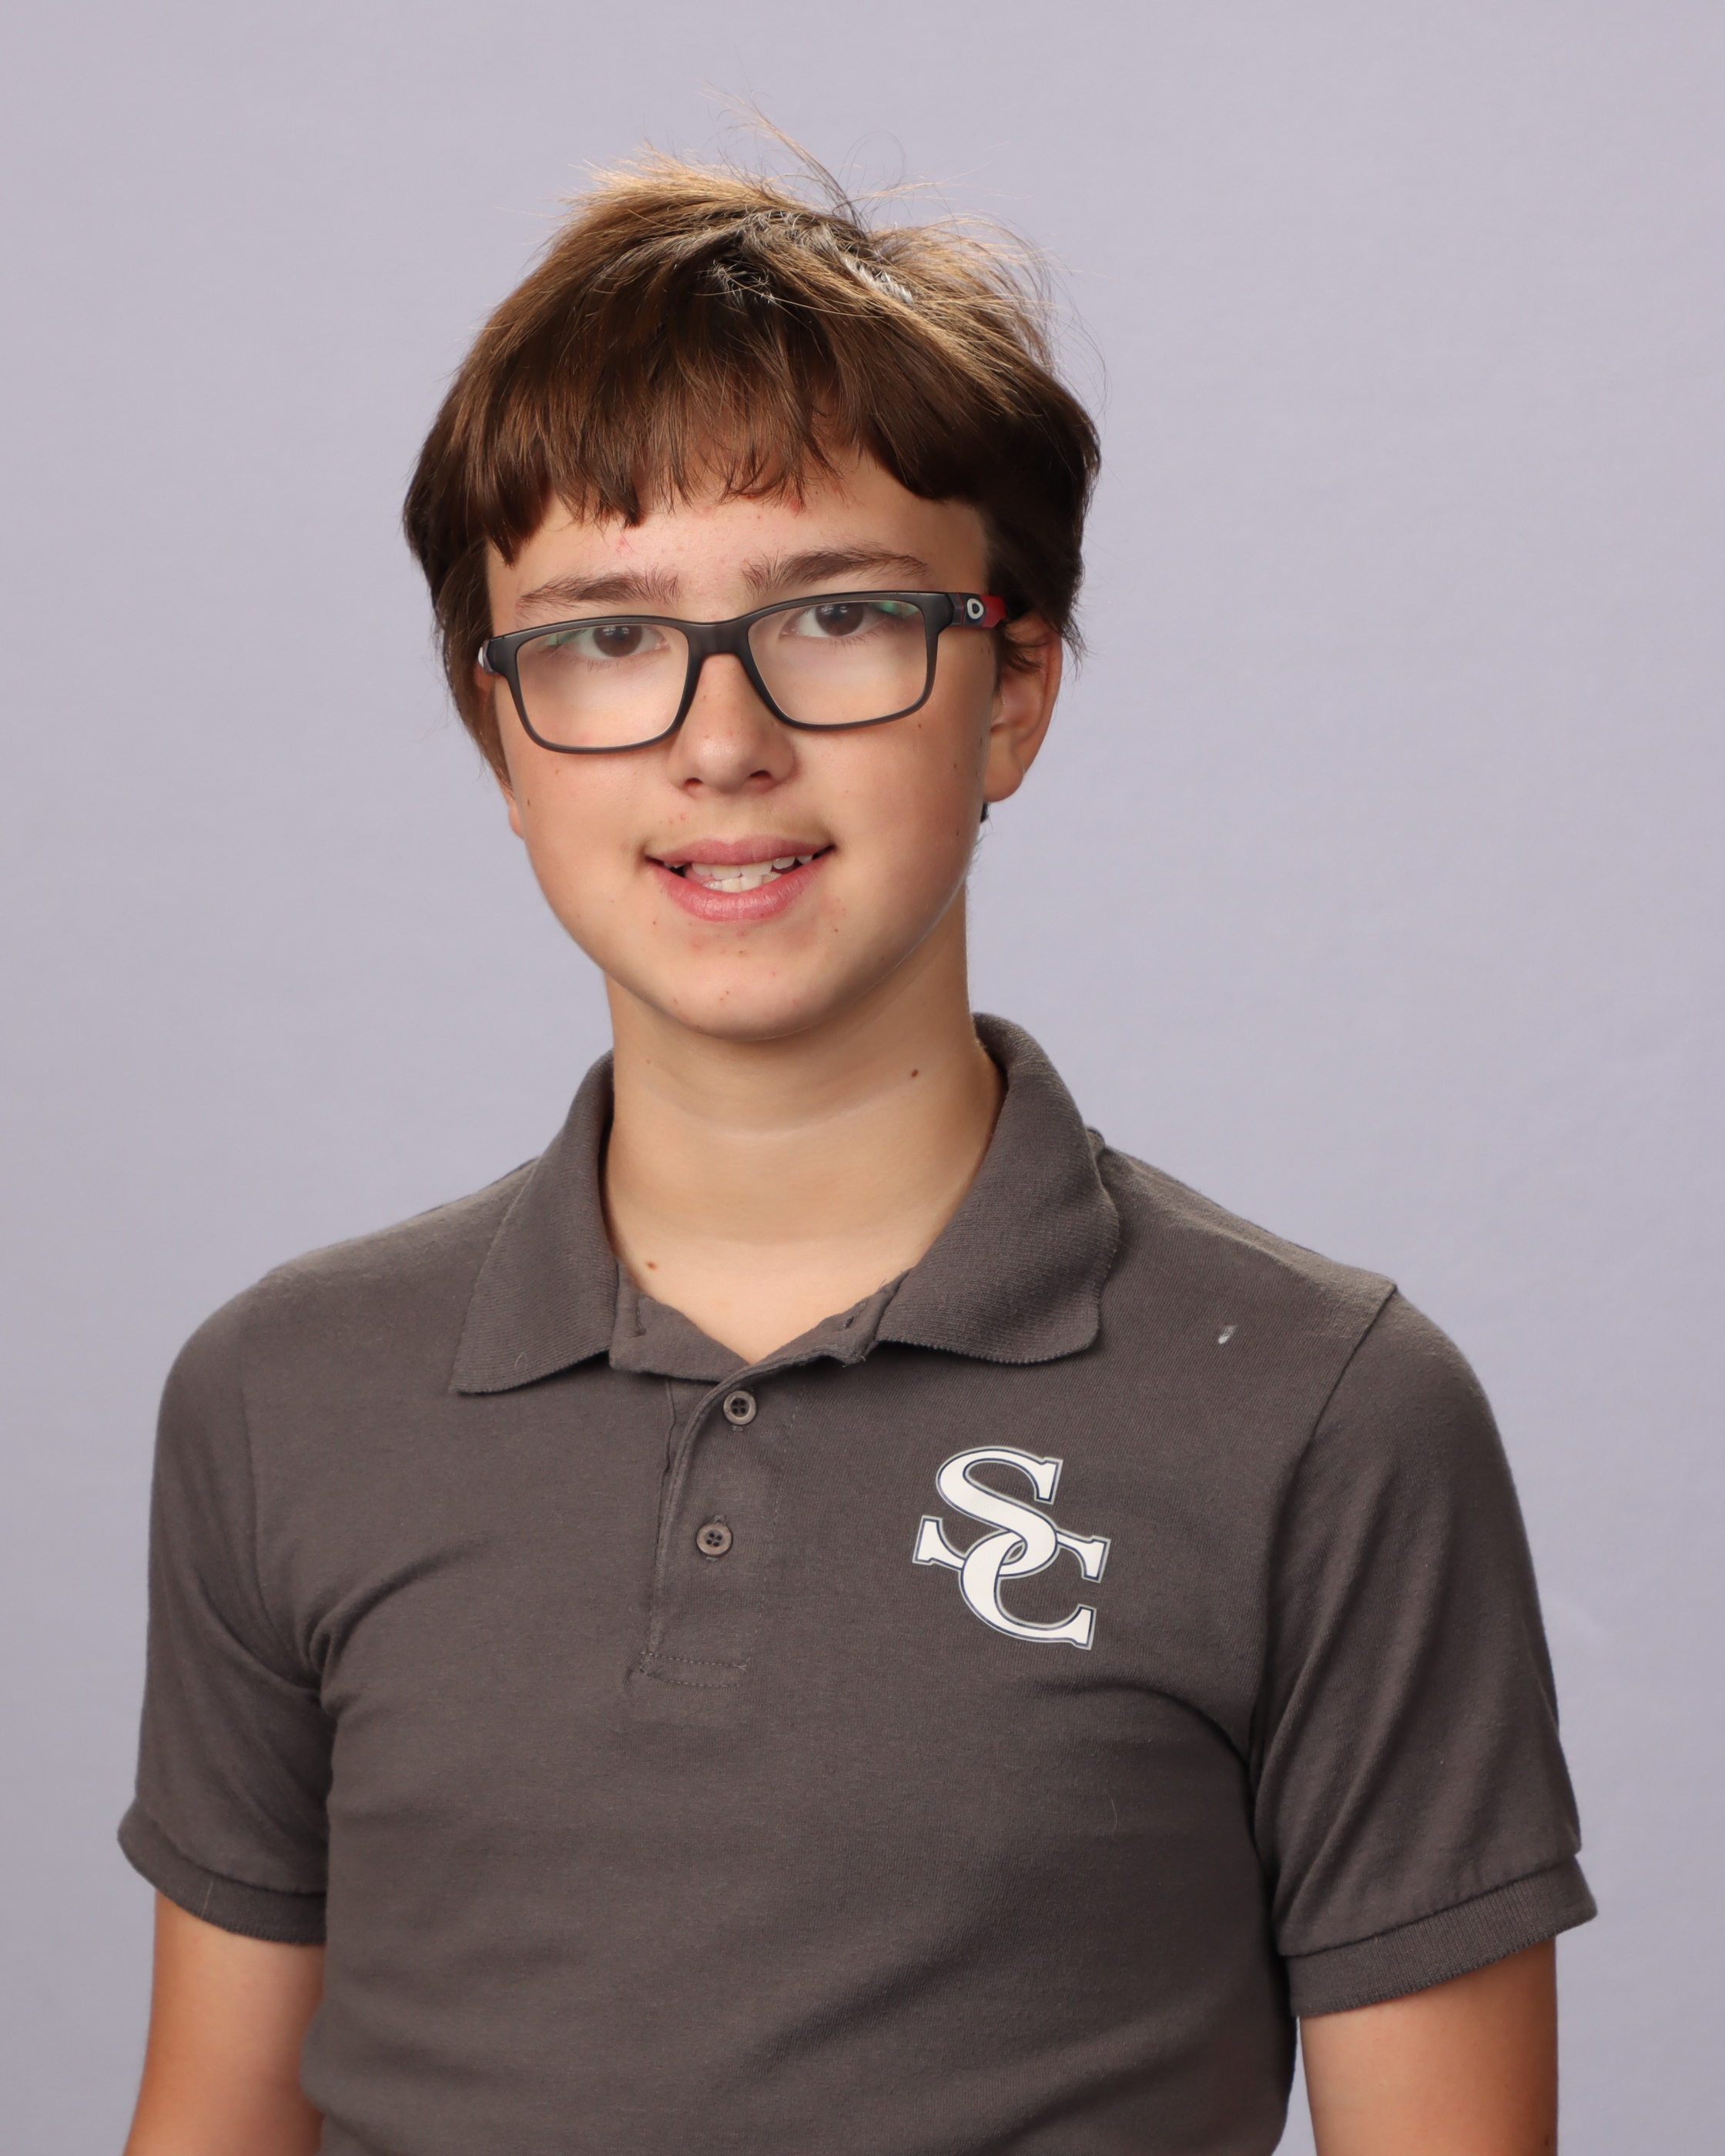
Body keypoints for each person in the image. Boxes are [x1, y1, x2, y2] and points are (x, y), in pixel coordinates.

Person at [119, 151, 1593, 2156]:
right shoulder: (282, 1397)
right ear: (500, 735)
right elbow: (213, 2117)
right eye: (605, 637)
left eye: (835, 614)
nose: (720, 739)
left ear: (1013, 694)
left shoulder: (1329, 1420)